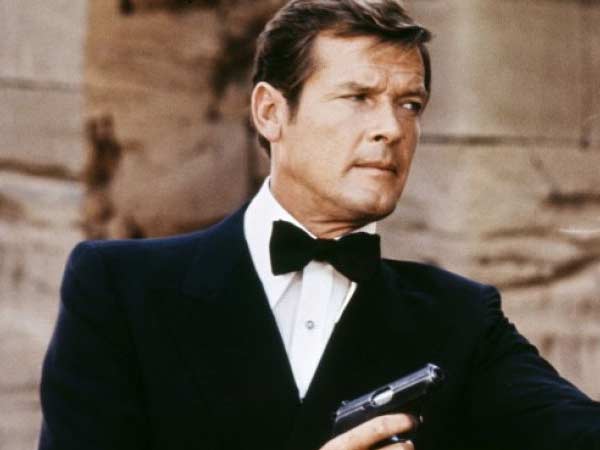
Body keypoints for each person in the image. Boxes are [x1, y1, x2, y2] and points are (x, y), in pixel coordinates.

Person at [38, 1, 600, 449]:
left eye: (410, 104)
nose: (391, 129)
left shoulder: (462, 319)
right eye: (359, 97)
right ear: (270, 112)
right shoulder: (119, 288)